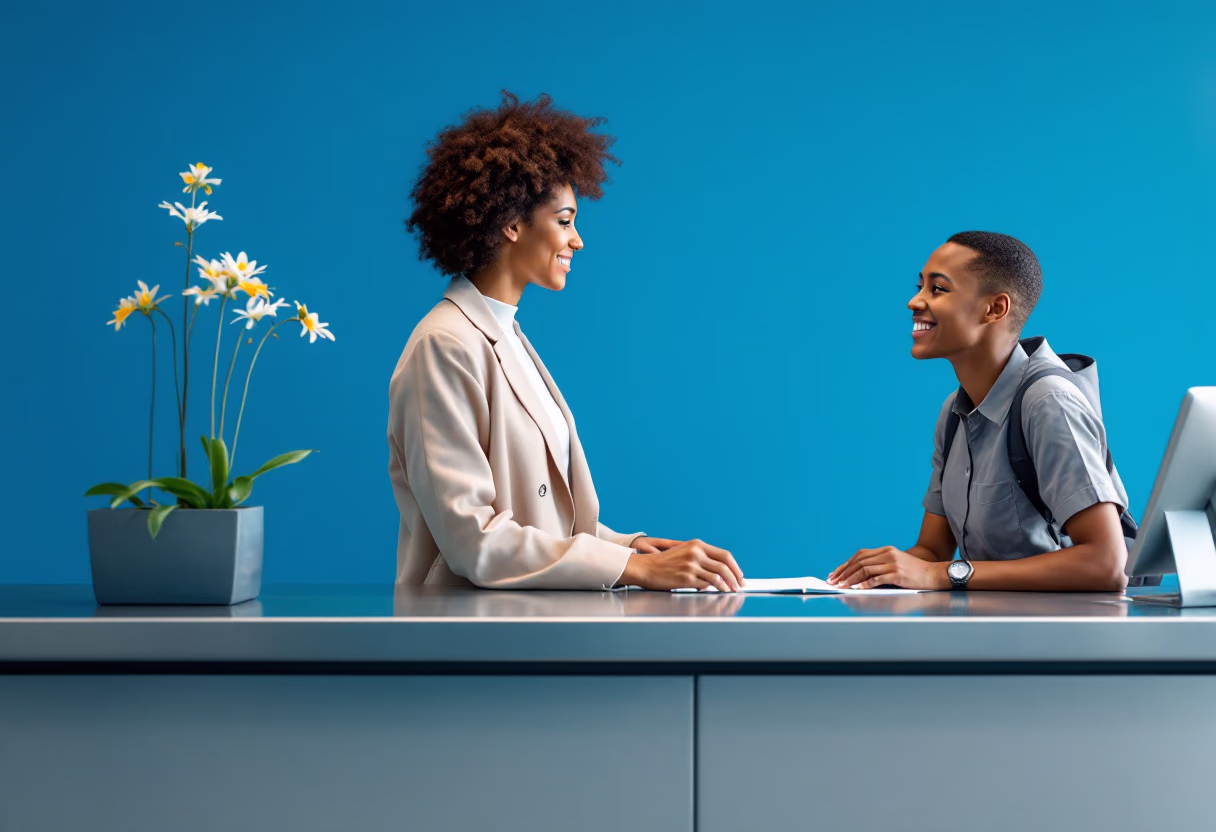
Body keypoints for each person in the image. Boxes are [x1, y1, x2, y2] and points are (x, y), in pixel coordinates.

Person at [389, 92, 743, 592]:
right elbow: (474, 540)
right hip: (467, 641)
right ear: (511, 223)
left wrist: (626, 547)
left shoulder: (504, 335)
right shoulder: (444, 346)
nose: (577, 240)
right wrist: (631, 570)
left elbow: (539, 519)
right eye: (565, 220)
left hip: (530, 630)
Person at [828, 231, 1130, 592]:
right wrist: (882, 572)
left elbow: (1108, 563)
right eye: (920, 286)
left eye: (937, 289)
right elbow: (933, 550)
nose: (914, 301)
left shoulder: (1048, 402)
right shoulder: (954, 414)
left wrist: (943, 574)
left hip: (1060, 640)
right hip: (988, 635)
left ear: (995, 309)